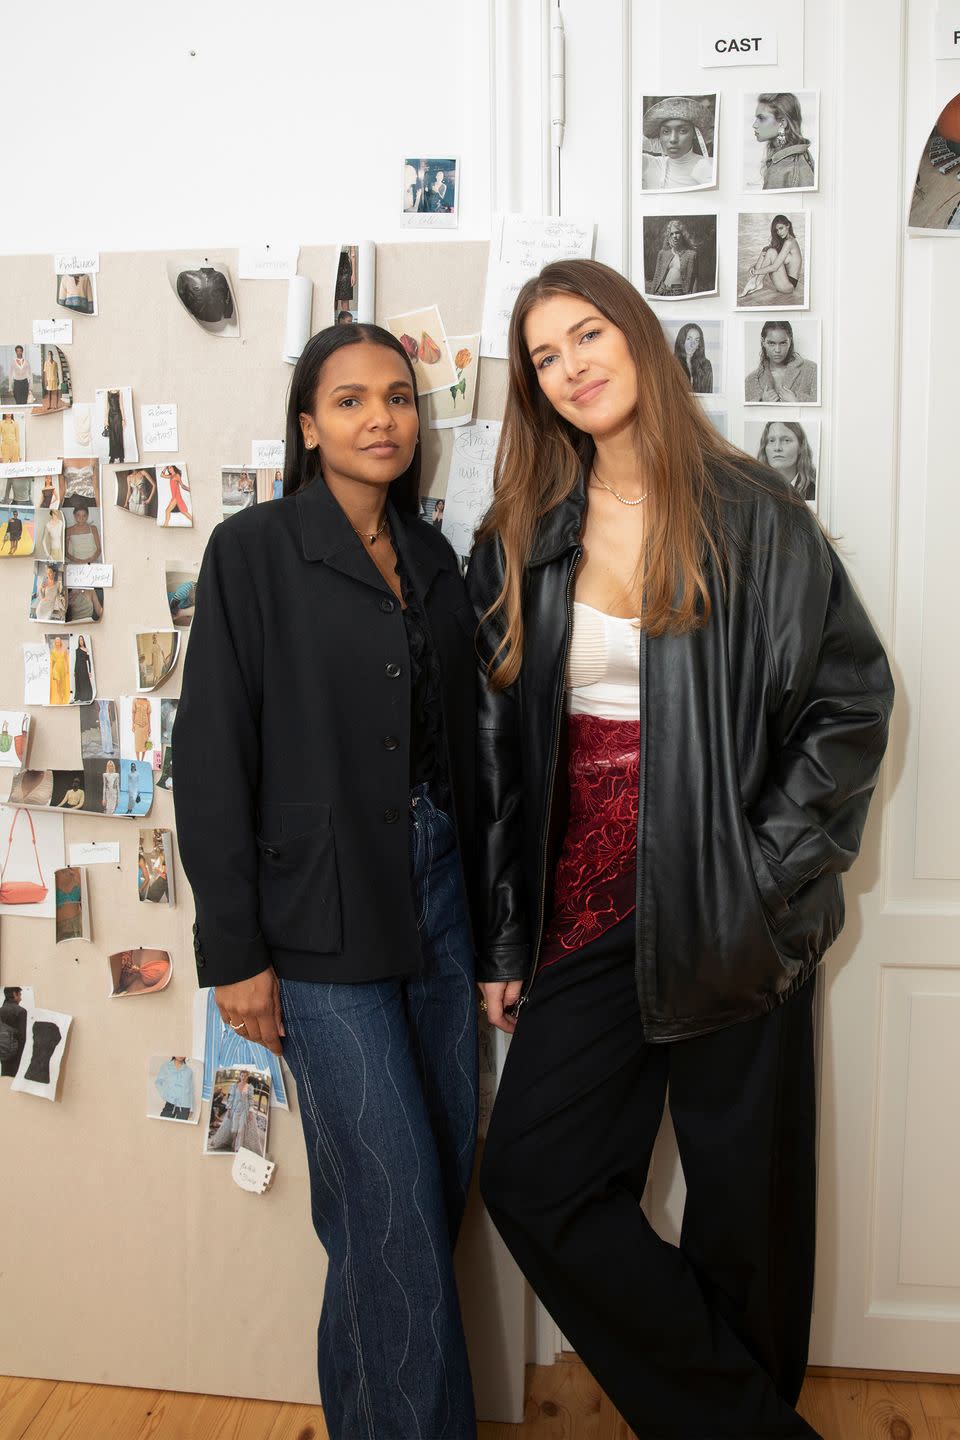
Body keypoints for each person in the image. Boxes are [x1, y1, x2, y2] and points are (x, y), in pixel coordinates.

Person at [466, 258, 894, 1440]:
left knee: (743, 1225)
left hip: (730, 912)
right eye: (546, 357)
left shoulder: (755, 515)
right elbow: (499, 762)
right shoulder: (523, 536)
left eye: (588, 334)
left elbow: (849, 706)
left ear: (640, 338)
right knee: (535, 1179)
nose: (572, 367)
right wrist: (508, 933)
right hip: (584, 915)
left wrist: (760, 878)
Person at [173, 321, 480, 1439]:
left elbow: (465, 749)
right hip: (316, 919)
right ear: (309, 425)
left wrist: (495, 939)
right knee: (390, 1209)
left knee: (429, 1188)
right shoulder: (252, 551)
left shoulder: (435, 558)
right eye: (350, 400)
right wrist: (236, 954)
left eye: (397, 397)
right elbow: (209, 759)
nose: (381, 418)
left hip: (438, 897)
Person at [641, 96, 714, 189]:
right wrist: (650, 145)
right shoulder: (649, 164)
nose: (673, 139)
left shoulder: (711, 165)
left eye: (682, 131)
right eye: (666, 132)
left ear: (695, 134)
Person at [752, 92, 816, 190]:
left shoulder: (786, 168)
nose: (754, 125)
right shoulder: (794, 158)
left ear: (782, 123)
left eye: (761, 118)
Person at [745, 319, 819, 403]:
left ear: (790, 341)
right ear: (763, 342)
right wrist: (762, 402)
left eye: (783, 343)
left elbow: (824, 410)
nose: (777, 350)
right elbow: (746, 413)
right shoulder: (750, 380)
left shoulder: (812, 370)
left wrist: (797, 401)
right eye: (771, 343)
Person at [740, 214, 803, 299]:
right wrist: (756, 267)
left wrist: (756, 271)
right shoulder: (786, 241)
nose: (779, 232)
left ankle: (755, 282)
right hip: (783, 280)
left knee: (771, 251)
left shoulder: (790, 242)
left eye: (781, 228)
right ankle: (755, 282)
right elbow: (774, 261)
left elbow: (775, 267)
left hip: (788, 286)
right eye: (777, 230)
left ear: (788, 225)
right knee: (766, 250)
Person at [756, 419, 817, 502]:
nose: (777, 448)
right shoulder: (756, 489)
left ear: (801, 447)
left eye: (786, 440)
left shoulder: (814, 491)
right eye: (771, 440)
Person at [649, 218, 698, 296]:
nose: (674, 236)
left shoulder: (691, 255)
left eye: (677, 233)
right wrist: (651, 296)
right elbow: (656, 277)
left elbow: (695, 280)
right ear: (669, 236)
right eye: (671, 234)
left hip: (679, 294)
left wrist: (694, 299)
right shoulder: (662, 253)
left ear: (683, 234)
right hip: (661, 291)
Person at [672, 321, 713, 392]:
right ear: (682, 341)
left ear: (699, 345)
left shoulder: (706, 365)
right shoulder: (671, 364)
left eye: (696, 340)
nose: (692, 344)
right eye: (689, 339)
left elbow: (709, 394)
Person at [0, 986, 28, 1078]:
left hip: (3, 1052)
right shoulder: (21, 1011)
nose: (21, 998)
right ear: (14, 994)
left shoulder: (1, 1010)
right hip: (17, 1056)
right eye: (19, 994)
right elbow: (22, 1038)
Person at [103, 389, 125, 464]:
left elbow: (121, 406)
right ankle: (112, 456)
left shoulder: (119, 392)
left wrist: (123, 419)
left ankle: (121, 457)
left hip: (118, 416)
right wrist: (105, 420)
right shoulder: (107, 393)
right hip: (110, 417)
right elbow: (107, 407)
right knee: (112, 437)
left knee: (119, 436)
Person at [49, 636, 71, 705]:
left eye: (58, 642)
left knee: (63, 684)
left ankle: (64, 697)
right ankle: (60, 698)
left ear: (60, 642)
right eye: (56, 642)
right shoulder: (53, 651)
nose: (57, 643)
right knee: (58, 684)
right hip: (56, 668)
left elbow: (66, 660)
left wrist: (67, 668)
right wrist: (52, 671)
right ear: (55, 643)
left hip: (63, 668)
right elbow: (52, 662)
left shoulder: (64, 650)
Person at [72, 635, 93, 704]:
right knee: (79, 683)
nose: (81, 641)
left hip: (84, 668)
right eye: (79, 640)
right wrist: (75, 670)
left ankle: (87, 696)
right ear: (78, 641)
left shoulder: (86, 650)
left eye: (82, 640)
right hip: (78, 668)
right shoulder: (77, 650)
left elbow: (89, 661)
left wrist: (90, 671)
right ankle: (79, 697)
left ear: (83, 640)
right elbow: (76, 660)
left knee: (85, 682)